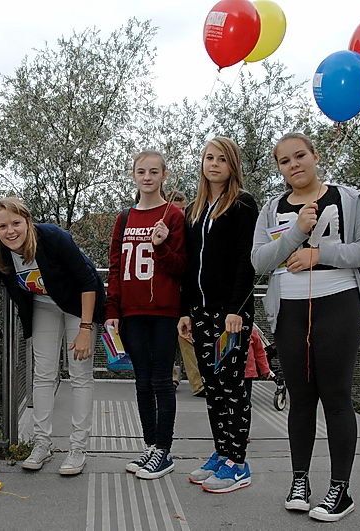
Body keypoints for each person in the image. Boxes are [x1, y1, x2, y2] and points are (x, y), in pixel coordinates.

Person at [251, 132, 360, 522]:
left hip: (338, 303)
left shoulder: (349, 199)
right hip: (290, 310)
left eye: (300, 156)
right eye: (285, 160)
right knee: (301, 397)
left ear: (315, 156)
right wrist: (296, 232)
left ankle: (340, 490)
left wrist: (319, 253)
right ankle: (300, 481)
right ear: (279, 168)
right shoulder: (272, 209)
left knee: (336, 396)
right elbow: (258, 261)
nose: (294, 165)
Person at [0, 197, 105, 476]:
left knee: (80, 374)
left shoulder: (53, 237)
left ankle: (78, 448)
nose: (10, 231)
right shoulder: (0, 259)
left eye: (16, 223)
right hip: (43, 306)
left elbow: (88, 280)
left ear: (28, 222)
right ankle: (41, 444)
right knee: (43, 373)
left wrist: (86, 329)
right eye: (2, 226)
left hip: (79, 304)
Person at [177, 136, 258, 494]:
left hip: (230, 315)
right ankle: (222, 452)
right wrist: (185, 310)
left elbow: (246, 259)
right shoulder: (195, 210)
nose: (214, 164)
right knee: (212, 386)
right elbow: (188, 265)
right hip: (200, 312)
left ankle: (238, 462)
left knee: (231, 384)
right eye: (209, 158)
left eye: (222, 159)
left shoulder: (242, 204)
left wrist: (235, 309)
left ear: (232, 165)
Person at [104, 150, 186, 480]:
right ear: (133, 175)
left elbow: (181, 267)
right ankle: (150, 446)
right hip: (132, 312)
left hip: (164, 312)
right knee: (141, 382)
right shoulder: (124, 217)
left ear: (164, 175)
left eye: (154, 171)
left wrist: (162, 246)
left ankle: (164, 450)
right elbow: (115, 266)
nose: (147, 177)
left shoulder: (174, 216)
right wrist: (112, 309)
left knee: (161, 381)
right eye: (141, 171)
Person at [169, 191, 203, 395]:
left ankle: (198, 383)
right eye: (177, 209)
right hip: (168, 293)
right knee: (167, 340)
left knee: (187, 337)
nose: (181, 213)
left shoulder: (191, 228)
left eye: (183, 209)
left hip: (187, 293)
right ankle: (171, 377)